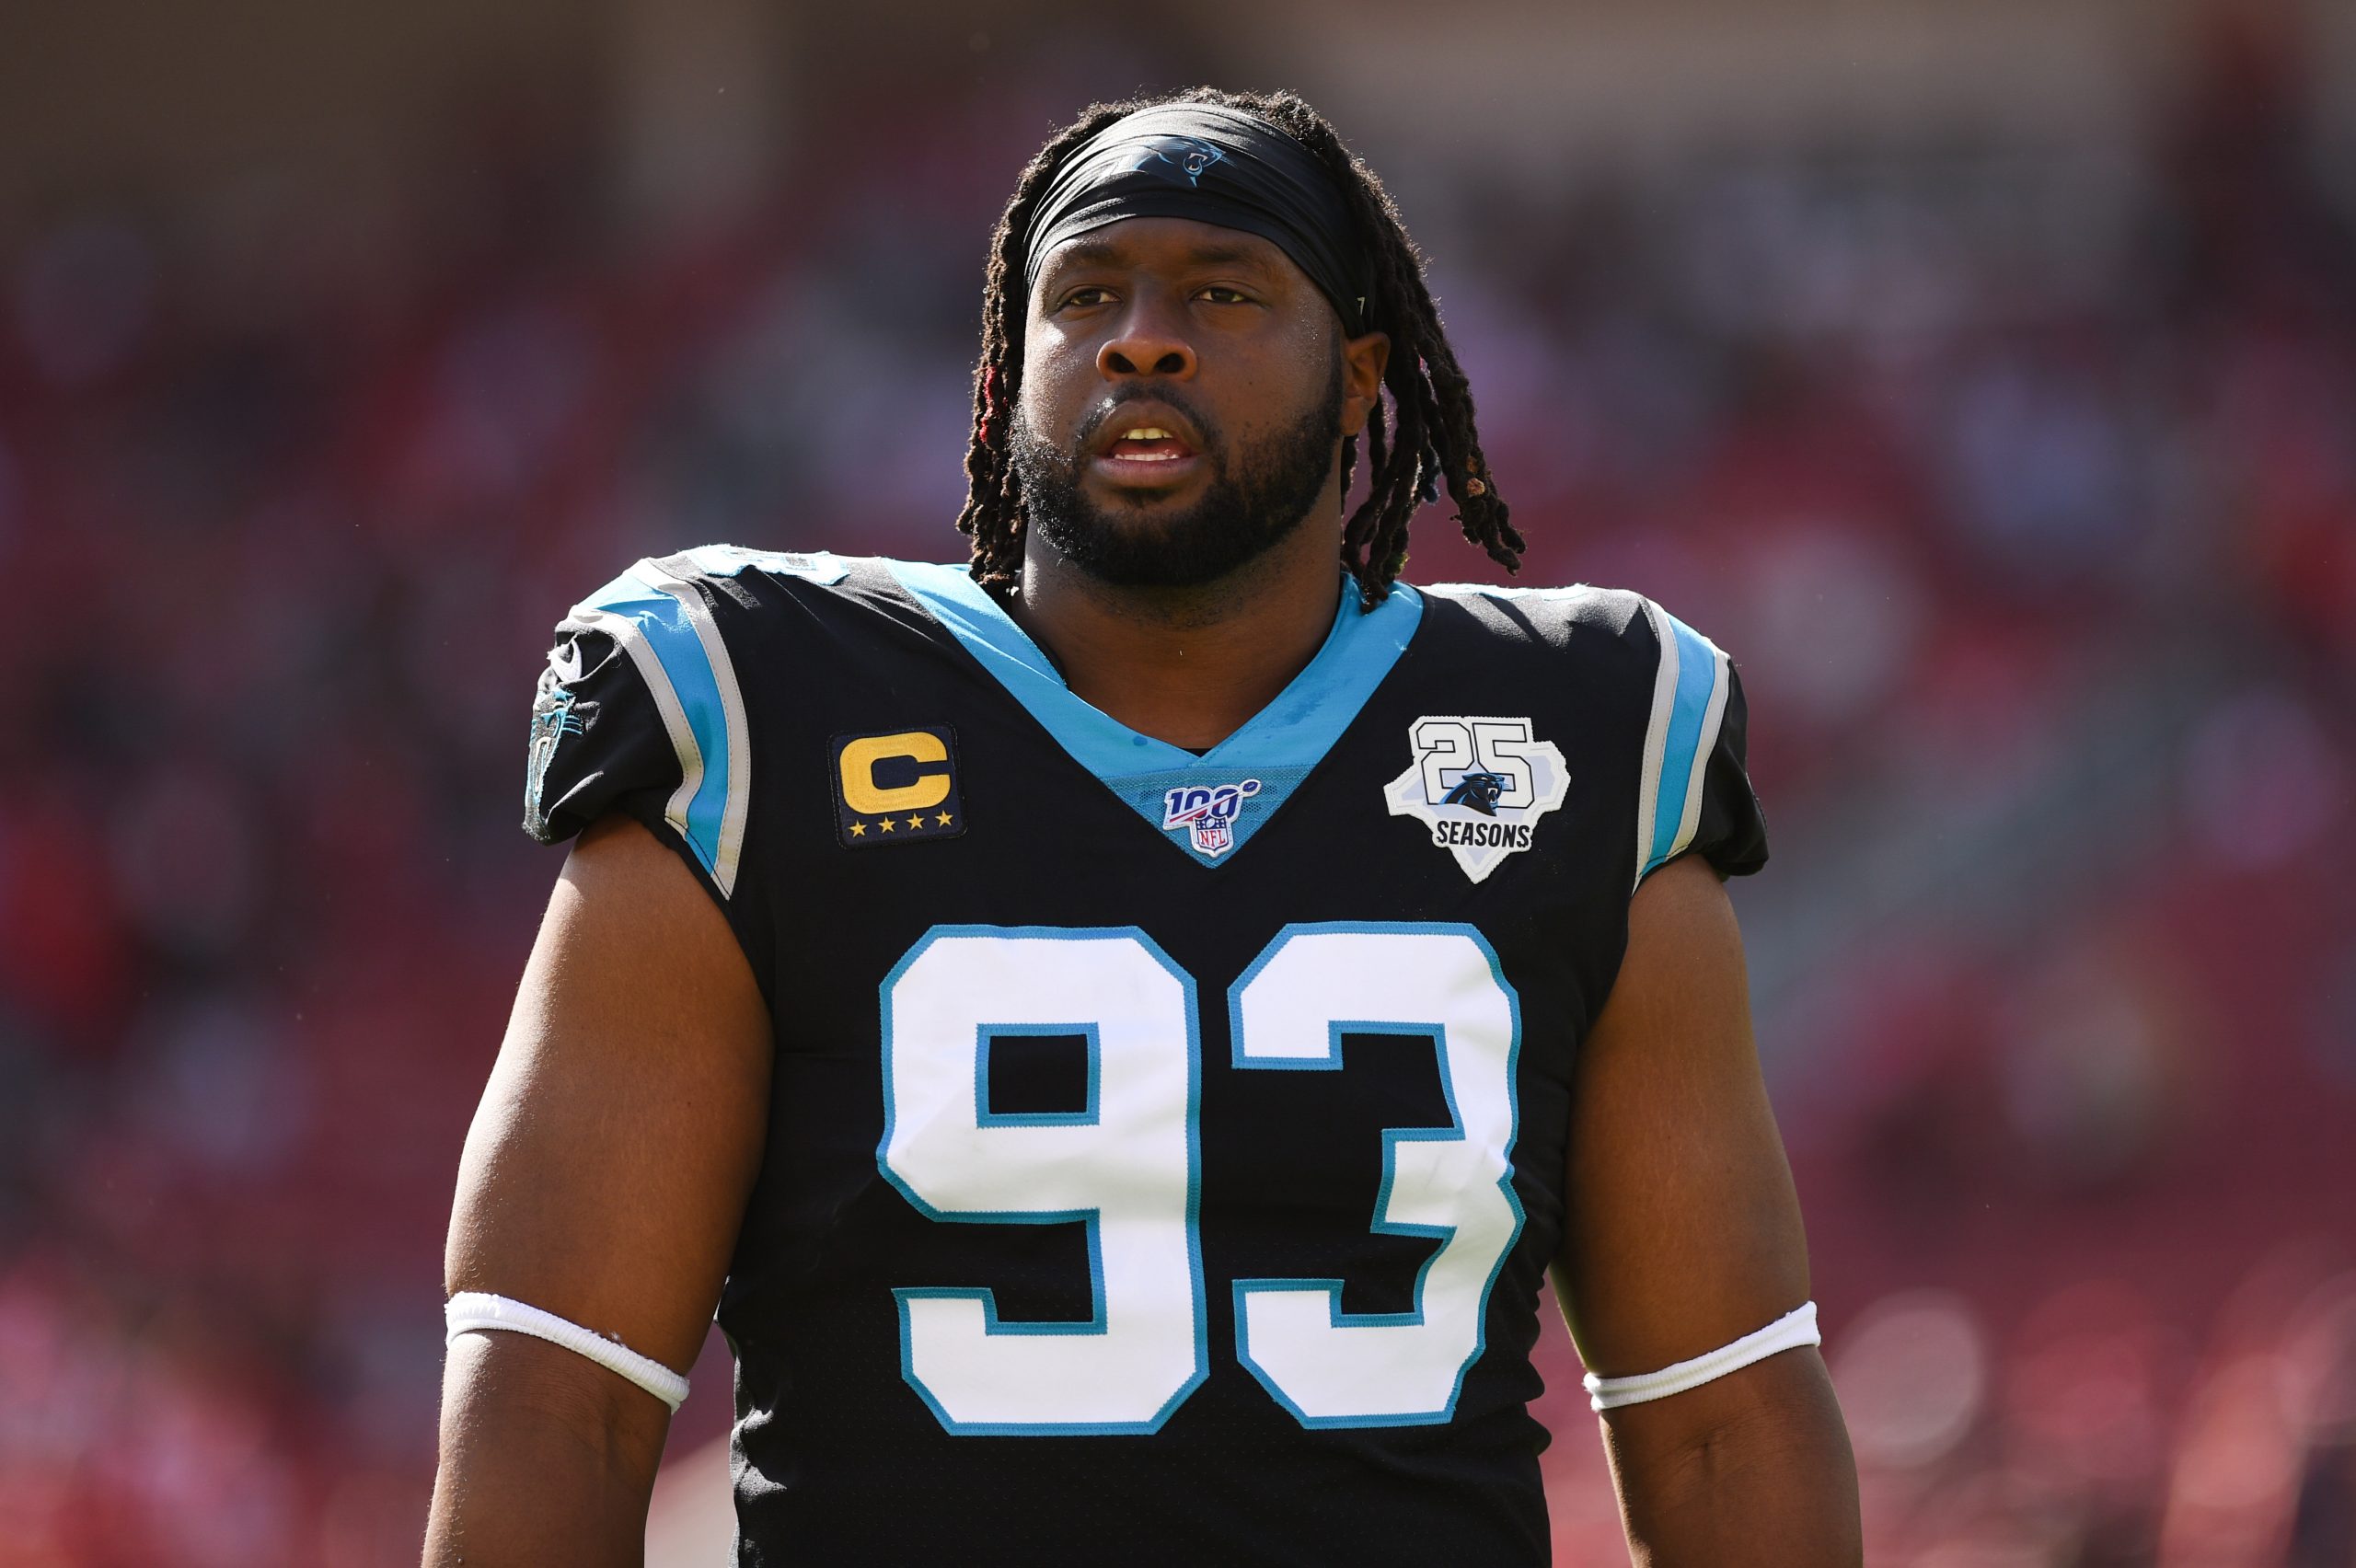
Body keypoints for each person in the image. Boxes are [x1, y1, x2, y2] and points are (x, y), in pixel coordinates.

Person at [424, 86, 1861, 1566]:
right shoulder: (753, 712)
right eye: (1086, 293)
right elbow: (558, 1392)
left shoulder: (1576, 736)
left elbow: (1719, 1413)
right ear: (1008, 365)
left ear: (1364, 372)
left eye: (1223, 291)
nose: (1142, 337)